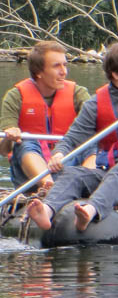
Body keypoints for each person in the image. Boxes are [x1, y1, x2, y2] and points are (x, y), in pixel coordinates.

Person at [25, 41, 118, 232]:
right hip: (110, 171)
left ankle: (90, 211)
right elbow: (72, 138)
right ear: (116, 74)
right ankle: (47, 210)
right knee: (73, 173)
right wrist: (59, 154)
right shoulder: (96, 103)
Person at [1, 41, 92, 188]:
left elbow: (94, 126)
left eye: (65, 65)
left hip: (67, 163)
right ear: (39, 72)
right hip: (30, 175)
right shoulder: (16, 96)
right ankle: (48, 186)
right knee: (24, 140)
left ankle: (88, 184)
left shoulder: (78, 94)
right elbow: (4, 150)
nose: (64, 72)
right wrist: (10, 135)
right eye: (57, 66)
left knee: (91, 143)